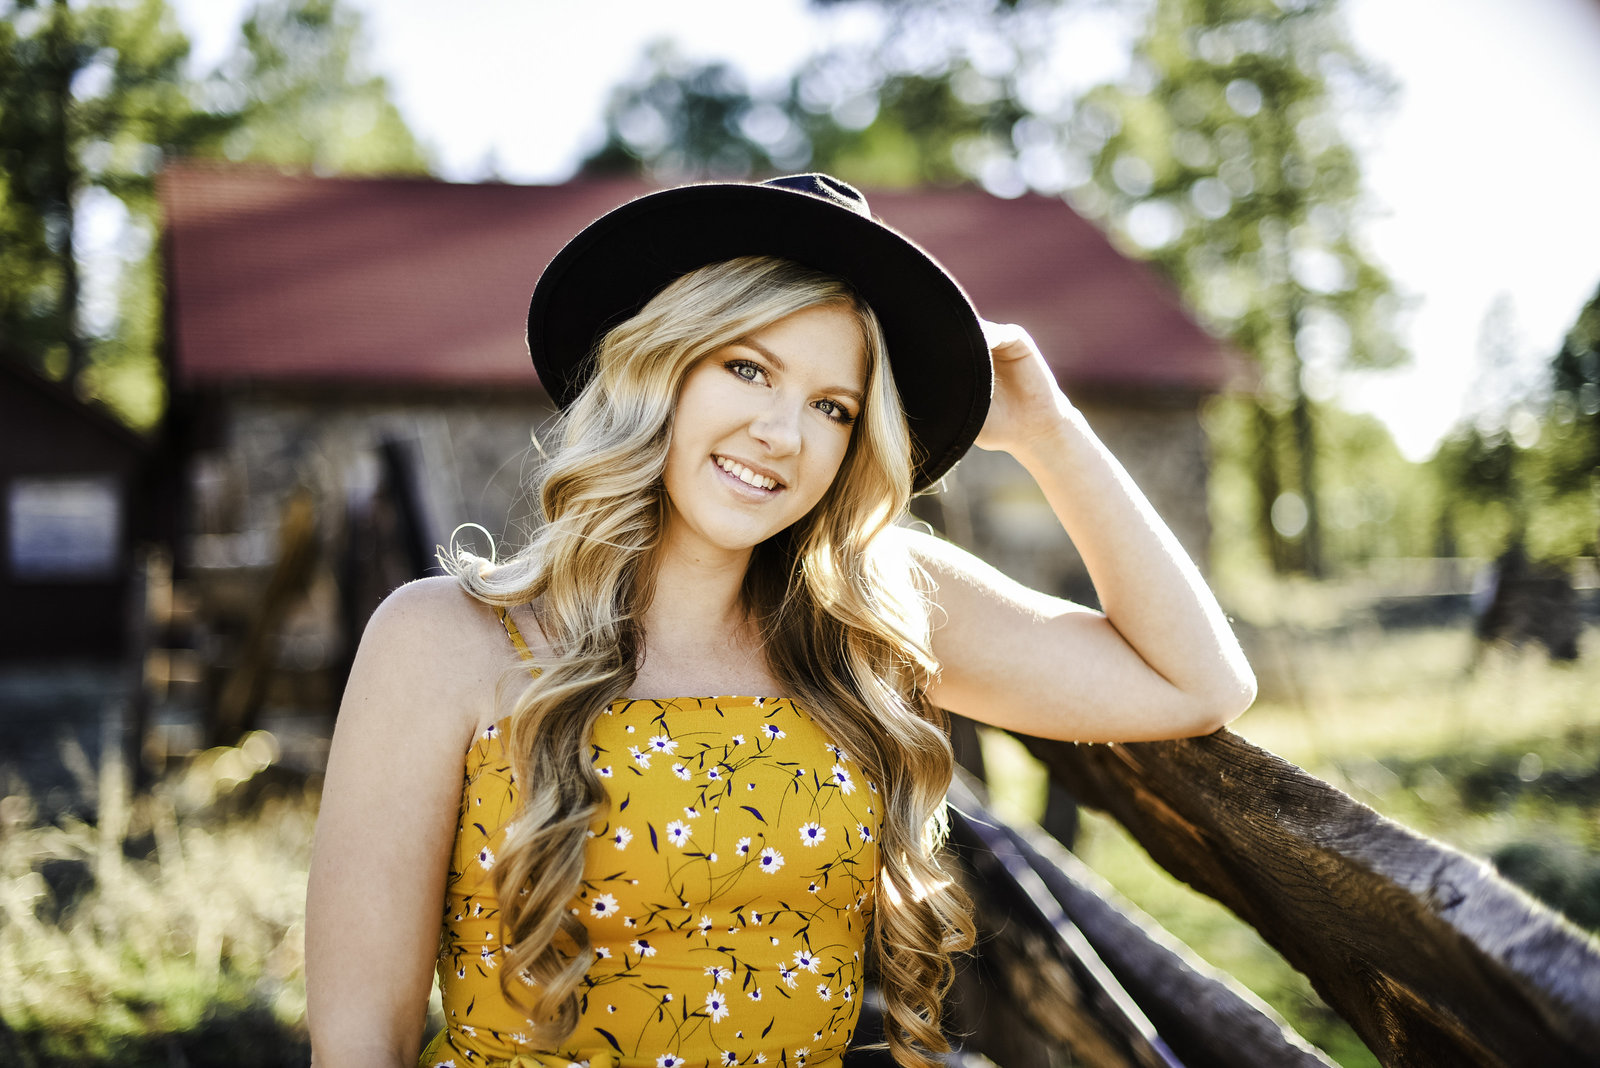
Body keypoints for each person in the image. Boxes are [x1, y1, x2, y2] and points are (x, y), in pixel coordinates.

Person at [304, 174, 1256, 1068]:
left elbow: (1199, 682)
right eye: (748, 368)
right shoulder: (441, 639)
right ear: (658, 367)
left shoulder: (873, 611)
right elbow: (357, 1042)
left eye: (833, 407)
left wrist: (1051, 432)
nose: (784, 433)